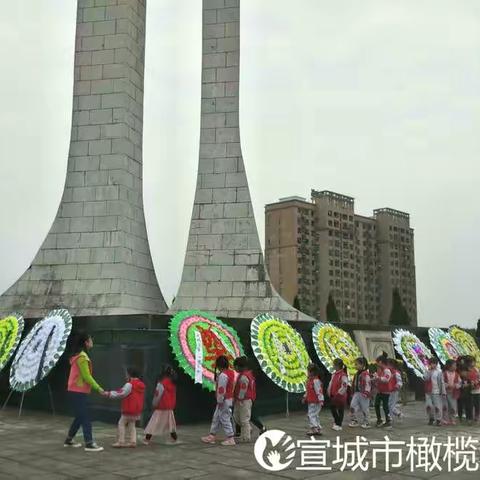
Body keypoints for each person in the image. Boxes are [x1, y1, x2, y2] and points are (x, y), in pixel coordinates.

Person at [64, 332, 104, 452]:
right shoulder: (82, 357)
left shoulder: (79, 356)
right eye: (91, 340)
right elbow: (86, 376)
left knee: (79, 417)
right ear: (86, 342)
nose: (92, 342)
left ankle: (69, 440)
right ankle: (89, 443)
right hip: (78, 390)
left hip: (76, 390)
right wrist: (98, 388)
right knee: (85, 417)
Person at [103, 367, 145, 448]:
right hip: (136, 410)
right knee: (132, 424)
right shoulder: (140, 384)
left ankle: (121, 441)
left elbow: (121, 393)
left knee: (121, 423)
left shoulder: (129, 384)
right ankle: (133, 441)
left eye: (126, 373)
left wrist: (109, 394)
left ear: (129, 374)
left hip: (129, 409)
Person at [201, 355, 236, 446]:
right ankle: (212, 436)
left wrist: (219, 401)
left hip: (224, 400)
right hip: (227, 399)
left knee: (224, 418)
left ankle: (230, 438)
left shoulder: (223, 375)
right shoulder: (230, 373)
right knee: (216, 417)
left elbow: (221, 390)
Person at [143, 365, 178, 445]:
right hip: (169, 407)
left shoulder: (161, 383)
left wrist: (154, 403)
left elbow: (157, 395)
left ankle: (147, 439)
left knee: (153, 423)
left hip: (161, 407)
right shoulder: (173, 383)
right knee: (171, 423)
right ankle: (174, 438)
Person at [232, 356, 256, 443]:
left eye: (236, 366)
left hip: (244, 400)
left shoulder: (244, 377)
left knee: (244, 419)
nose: (235, 368)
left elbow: (243, 389)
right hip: (242, 400)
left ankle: (246, 437)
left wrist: (240, 399)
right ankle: (248, 429)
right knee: (236, 416)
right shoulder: (245, 374)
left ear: (240, 366)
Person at [348, 357, 371, 429]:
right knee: (352, 406)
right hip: (357, 393)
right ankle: (354, 420)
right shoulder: (356, 374)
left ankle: (367, 422)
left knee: (365, 408)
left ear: (362, 365)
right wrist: (352, 392)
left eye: (356, 364)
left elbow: (368, 383)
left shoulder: (366, 374)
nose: (355, 366)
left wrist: (366, 392)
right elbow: (354, 383)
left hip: (364, 393)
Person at [327, 358, 348, 431]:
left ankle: (339, 424)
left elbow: (344, 385)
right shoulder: (334, 374)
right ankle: (337, 422)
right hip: (334, 395)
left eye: (334, 365)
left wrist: (339, 393)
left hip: (340, 396)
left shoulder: (343, 375)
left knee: (340, 410)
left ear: (337, 366)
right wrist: (329, 391)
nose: (333, 366)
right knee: (333, 408)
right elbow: (331, 383)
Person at [303, 363, 324, 436]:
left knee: (311, 415)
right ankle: (318, 428)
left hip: (315, 401)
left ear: (311, 372)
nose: (307, 373)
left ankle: (314, 428)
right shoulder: (309, 380)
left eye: (308, 371)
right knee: (315, 415)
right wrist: (305, 397)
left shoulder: (315, 381)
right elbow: (307, 391)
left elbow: (319, 391)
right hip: (311, 401)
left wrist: (321, 400)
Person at [374, 354, 394, 428]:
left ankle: (388, 420)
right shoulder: (380, 370)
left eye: (377, 362)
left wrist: (378, 378)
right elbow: (379, 379)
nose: (377, 364)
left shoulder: (387, 370)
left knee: (385, 406)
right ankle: (379, 420)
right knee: (376, 405)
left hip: (385, 391)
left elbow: (386, 379)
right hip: (380, 390)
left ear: (381, 362)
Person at [424, 357, 445, 426]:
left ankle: (439, 419)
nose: (433, 365)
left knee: (437, 406)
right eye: (431, 363)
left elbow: (442, 382)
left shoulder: (439, 372)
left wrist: (443, 391)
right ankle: (431, 418)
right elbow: (426, 378)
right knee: (429, 405)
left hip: (437, 391)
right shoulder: (427, 370)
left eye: (434, 363)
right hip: (428, 391)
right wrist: (428, 371)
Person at [443, 359, 461, 425]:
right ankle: (445, 419)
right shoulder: (444, 373)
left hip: (453, 393)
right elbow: (442, 382)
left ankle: (452, 419)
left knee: (453, 407)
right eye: (454, 365)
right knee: (445, 406)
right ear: (449, 366)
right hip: (445, 393)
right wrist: (447, 385)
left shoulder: (457, 374)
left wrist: (455, 385)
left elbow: (460, 383)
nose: (456, 367)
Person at [466, 356, 480, 422]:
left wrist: (477, 382)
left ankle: (477, 416)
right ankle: (470, 417)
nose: (473, 363)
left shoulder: (476, 369)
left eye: (474, 362)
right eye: (472, 362)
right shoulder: (466, 370)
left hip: (477, 389)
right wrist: (470, 383)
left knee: (477, 404)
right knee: (470, 404)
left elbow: (479, 377)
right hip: (469, 390)